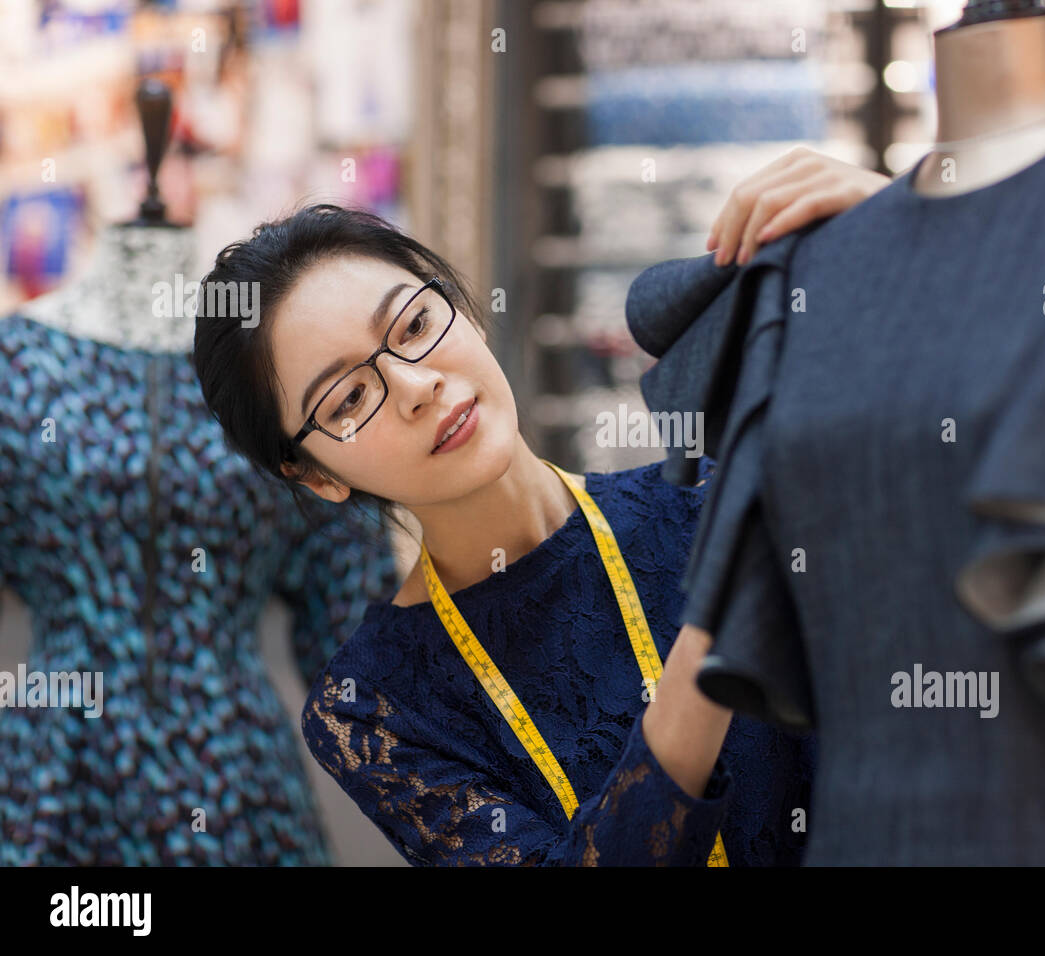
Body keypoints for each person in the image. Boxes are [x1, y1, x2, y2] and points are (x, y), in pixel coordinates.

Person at [190, 149, 888, 865]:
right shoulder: (374, 706)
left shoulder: (708, 500)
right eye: (350, 399)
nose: (414, 386)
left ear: (465, 310)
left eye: (412, 325)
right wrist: (718, 629)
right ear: (314, 475)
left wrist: (904, 222)